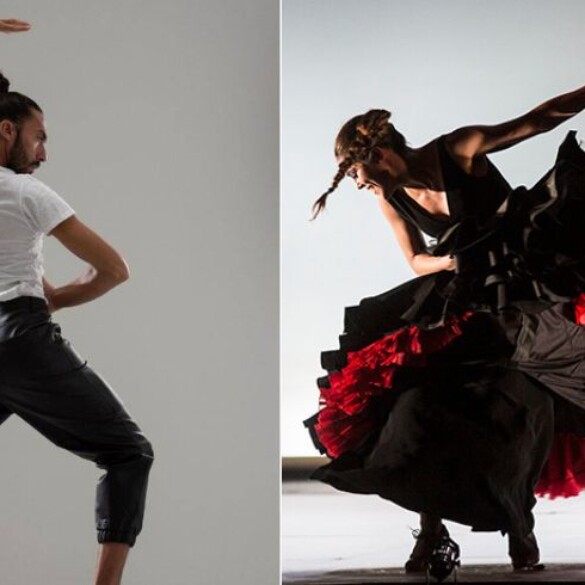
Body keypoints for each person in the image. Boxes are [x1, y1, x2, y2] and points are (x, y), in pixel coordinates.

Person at [305, 83, 585, 578]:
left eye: (356, 174)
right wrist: (452, 260)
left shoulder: (460, 148)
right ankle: (432, 530)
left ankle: (521, 529)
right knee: (421, 399)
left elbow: (537, 119)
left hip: (519, 284)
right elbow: (415, 260)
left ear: (379, 153)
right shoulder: (389, 198)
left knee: (524, 395)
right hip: (459, 290)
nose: (358, 186)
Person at [0, 71, 154, 585]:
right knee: (129, 453)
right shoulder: (26, 191)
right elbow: (113, 269)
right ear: (6, 131)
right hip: (20, 341)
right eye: (39, 136)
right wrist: (58, 298)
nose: (43, 152)